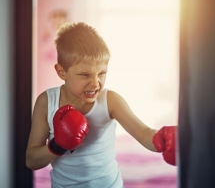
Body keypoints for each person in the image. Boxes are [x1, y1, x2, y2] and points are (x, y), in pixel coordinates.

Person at [26, 22, 177, 188]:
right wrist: (57, 145)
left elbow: (143, 133)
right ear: (62, 72)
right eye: (85, 75)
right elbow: (32, 161)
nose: (95, 83)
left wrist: (162, 139)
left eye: (102, 73)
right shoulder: (47, 101)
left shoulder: (110, 101)